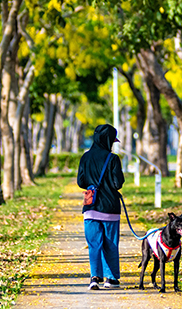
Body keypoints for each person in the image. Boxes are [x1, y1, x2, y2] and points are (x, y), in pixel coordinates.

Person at [77, 123, 125, 290]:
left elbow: (80, 182)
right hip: (110, 208)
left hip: (90, 208)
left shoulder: (85, 157)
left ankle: (94, 277)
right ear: (108, 140)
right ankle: (111, 279)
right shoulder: (113, 159)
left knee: (94, 244)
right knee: (110, 244)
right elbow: (118, 183)